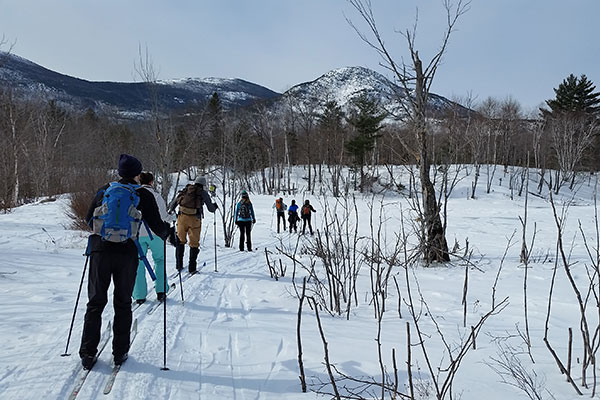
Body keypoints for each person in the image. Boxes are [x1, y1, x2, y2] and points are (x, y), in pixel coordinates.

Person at [79, 154, 175, 370]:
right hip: (127, 252)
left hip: (100, 251)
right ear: (137, 174)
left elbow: (88, 219)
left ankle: (87, 353)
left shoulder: (105, 190)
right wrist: (170, 232)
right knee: (122, 302)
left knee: (95, 303)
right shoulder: (142, 194)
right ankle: (119, 352)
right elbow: (158, 227)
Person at [132, 172, 170, 304]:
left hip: (137, 233)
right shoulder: (157, 196)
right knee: (159, 260)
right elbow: (164, 216)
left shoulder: (135, 194)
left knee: (139, 263)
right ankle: (161, 291)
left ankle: (139, 295)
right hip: (155, 233)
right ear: (152, 182)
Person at [168, 176, 218, 274]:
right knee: (194, 243)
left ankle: (179, 265)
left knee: (180, 241)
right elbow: (211, 209)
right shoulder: (203, 193)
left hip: (182, 218)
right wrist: (215, 206)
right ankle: (192, 268)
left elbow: (172, 204)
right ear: (203, 185)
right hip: (195, 219)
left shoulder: (186, 190)